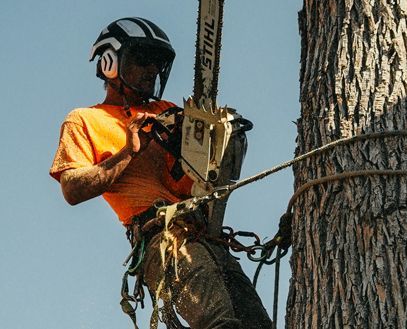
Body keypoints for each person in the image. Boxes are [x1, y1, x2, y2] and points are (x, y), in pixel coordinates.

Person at [49, 17, 272, 329]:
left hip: (206, 233)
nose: (151, 70)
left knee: (257, 323)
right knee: (220, 322)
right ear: (110, 61)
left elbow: (202, 177)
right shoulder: (85, 120)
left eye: (156, 63)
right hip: (161, 237)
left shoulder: (165, 110)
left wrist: (221, 142)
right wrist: (129, 151)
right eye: (142, 60)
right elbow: (72, 190)